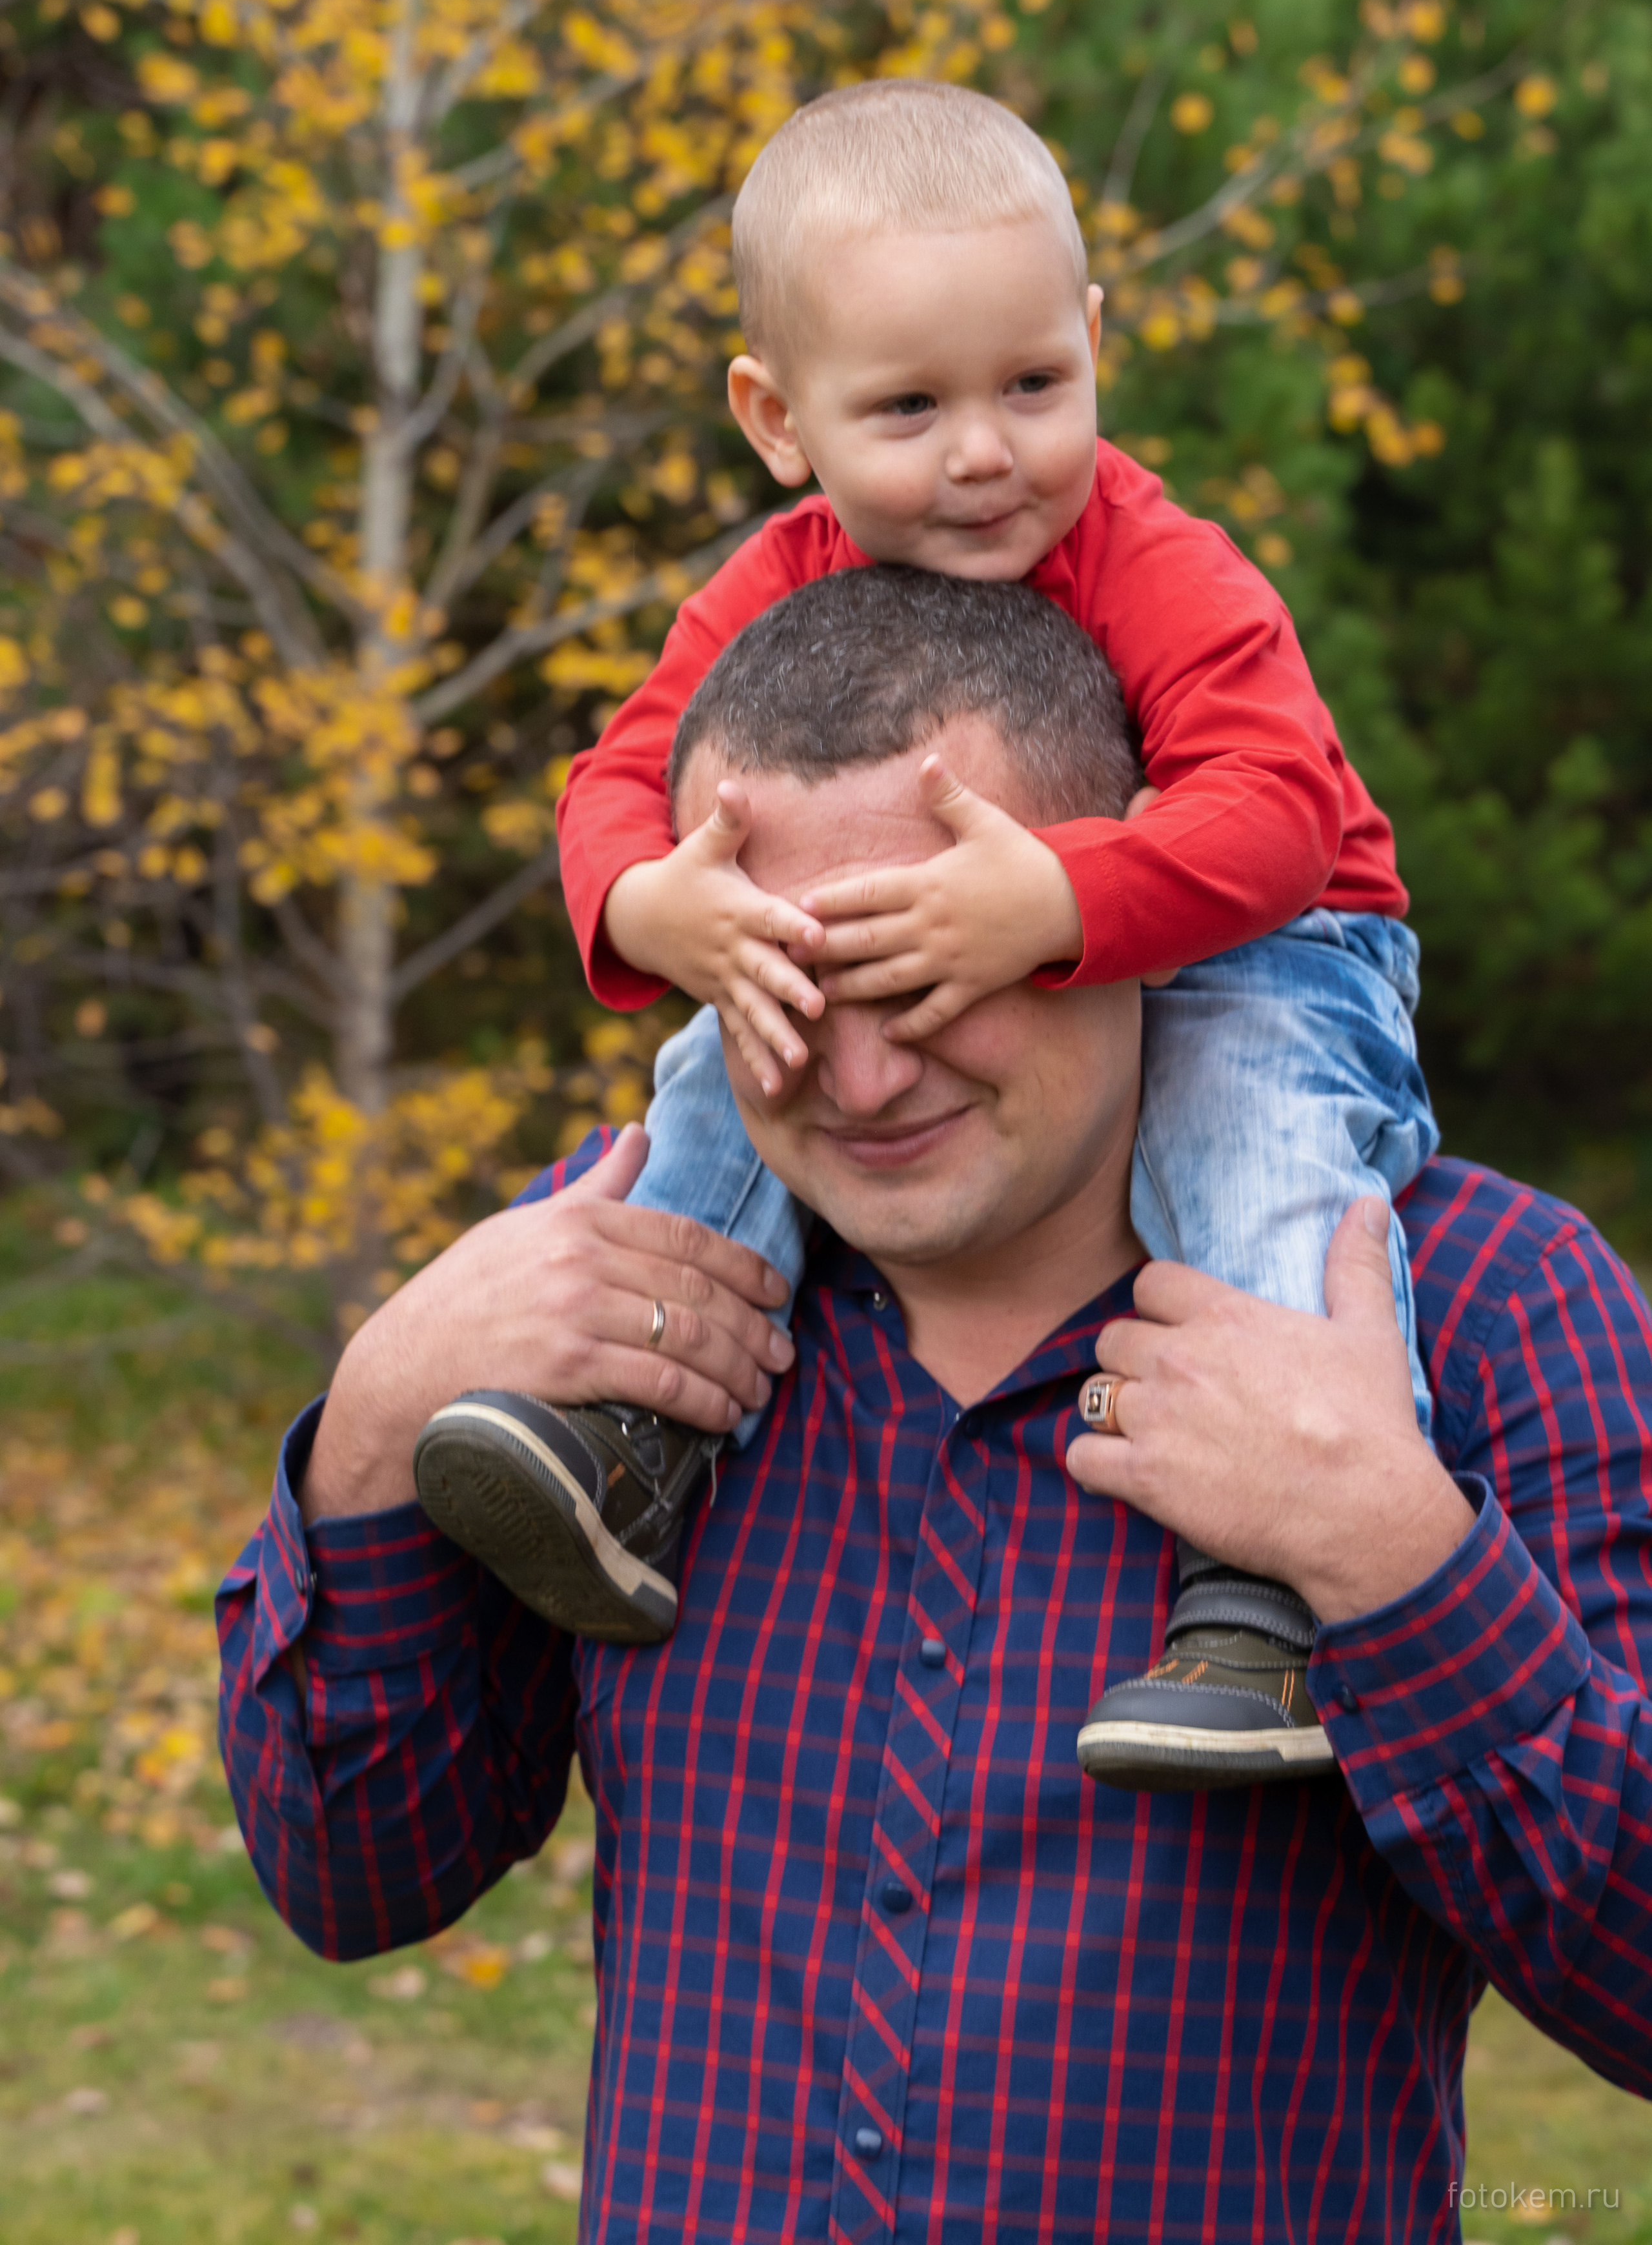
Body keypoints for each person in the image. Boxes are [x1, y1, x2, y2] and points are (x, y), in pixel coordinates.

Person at [219, 580, 1652, 2243]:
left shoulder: (1472, 1308)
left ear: (1121, 895)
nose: (866, 1081)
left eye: (925, 975)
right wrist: (378, 1419)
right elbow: (354, 1871)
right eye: (786, 994)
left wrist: (1398, 1559)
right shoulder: (614, 1299)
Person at [412, 79, 1438, 1791]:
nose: (985, 452)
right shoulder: (773, 580)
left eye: (1035, 384)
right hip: (961, 927)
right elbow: (620, 775)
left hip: (1275, 939)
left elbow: (1275, 817)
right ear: (777, 415)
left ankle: (1265, 1594)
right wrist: (664, 905)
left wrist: (1058, 899)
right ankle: (634, 1438)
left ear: (1095, 337)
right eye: (909, 405)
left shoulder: (1164, 562)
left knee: (1250, 1137)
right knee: (715, 1068)